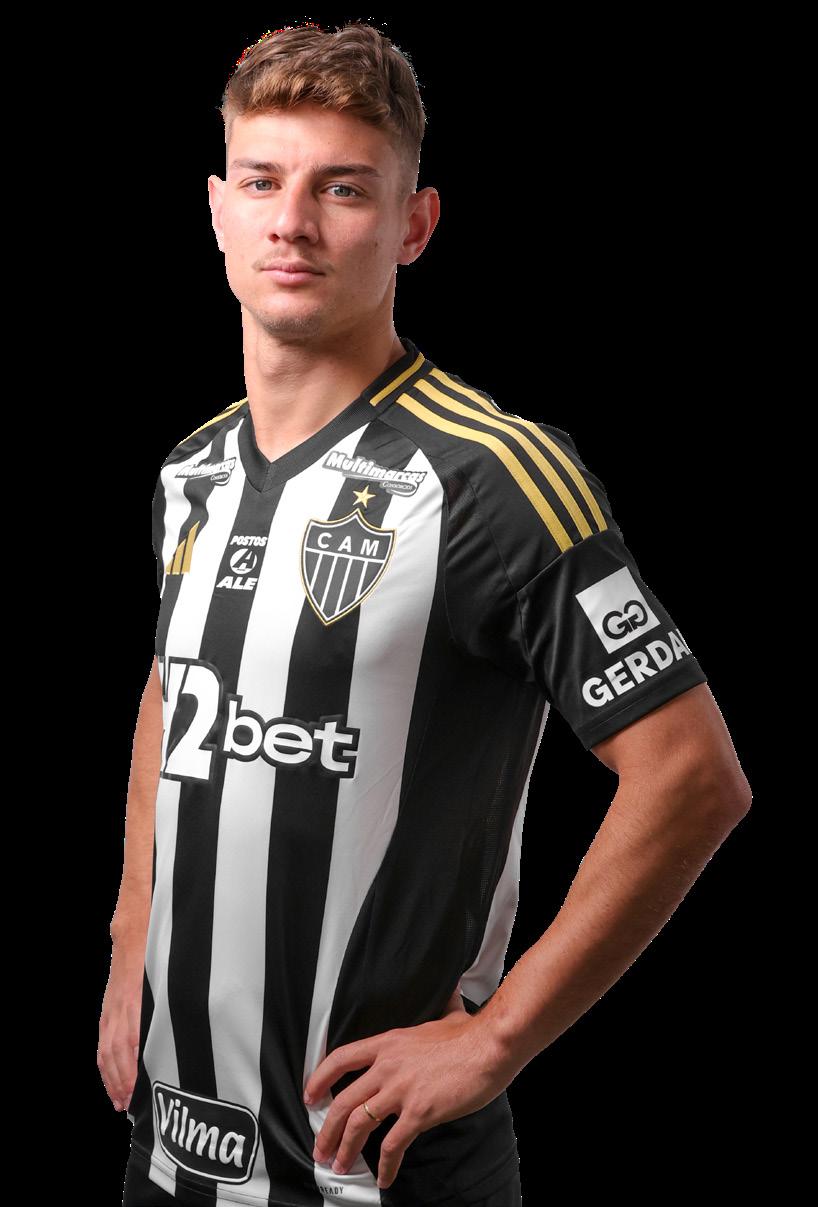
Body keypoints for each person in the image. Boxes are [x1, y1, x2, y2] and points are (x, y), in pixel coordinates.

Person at [100, 21, 751, 1207]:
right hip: (172, 1144)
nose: (292, 222)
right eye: (263, 181)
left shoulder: (490, 476)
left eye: (342, 189)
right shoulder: (192, 470)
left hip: (379, 1169)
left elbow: (690, 774)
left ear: (413, 223)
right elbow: (175, 683)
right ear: (217, 208)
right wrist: (131, 926)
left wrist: (495, 1038)